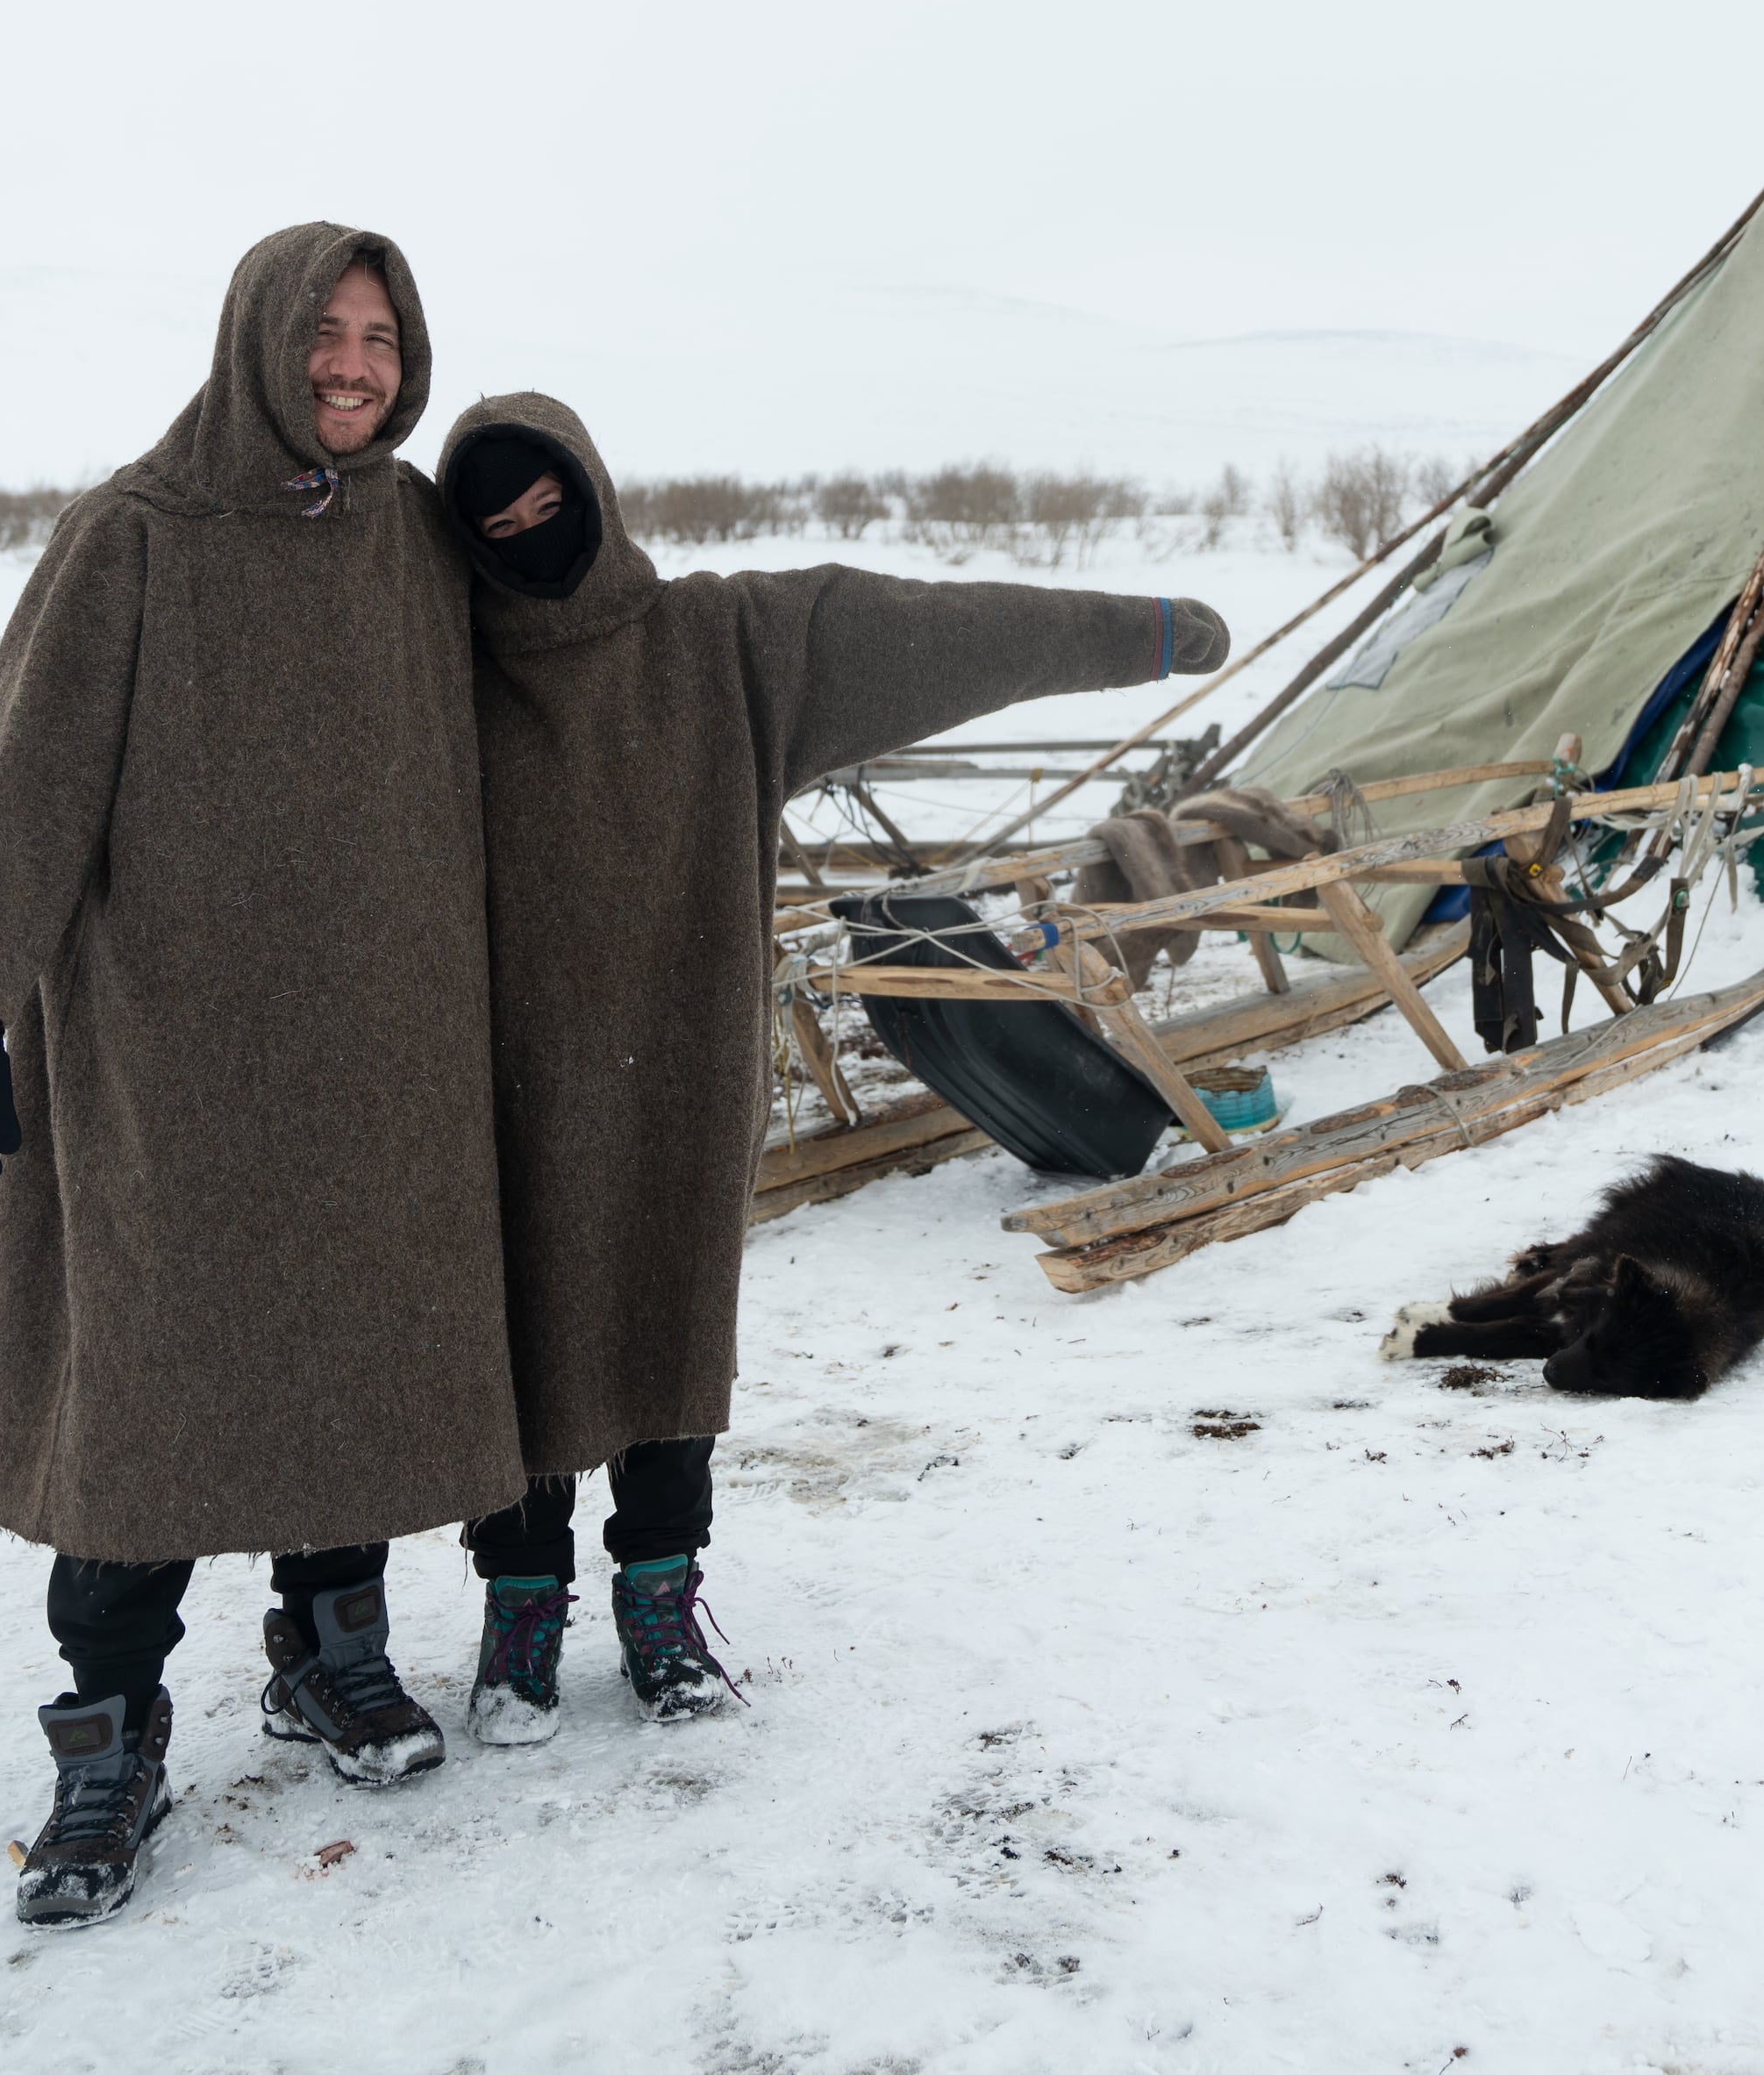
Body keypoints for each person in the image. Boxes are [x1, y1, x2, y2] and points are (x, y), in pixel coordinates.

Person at [430, 393, 1228, 1733]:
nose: (528, 538)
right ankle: (520, 1605)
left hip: (676, 1058)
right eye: (496, 524)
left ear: (593, 494)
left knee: (665, 1322)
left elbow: (929, 633)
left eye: (547, 506)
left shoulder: (717, 643)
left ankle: (660, 1597)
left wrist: (1140, 633)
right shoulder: (443, 675)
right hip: (496, 1076)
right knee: (513, 1335)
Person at [0, 226, 520, 1929]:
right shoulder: (134, 536)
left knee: (349, 1354)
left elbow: (539, 679)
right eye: (325, 333)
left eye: (384, 338)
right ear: (257, 340)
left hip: (378, 1046)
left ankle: (332, 1655)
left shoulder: (410, 532)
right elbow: (26, 772)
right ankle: (106, 1735)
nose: (355, 366)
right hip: (171, 1056)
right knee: (152, 1389)